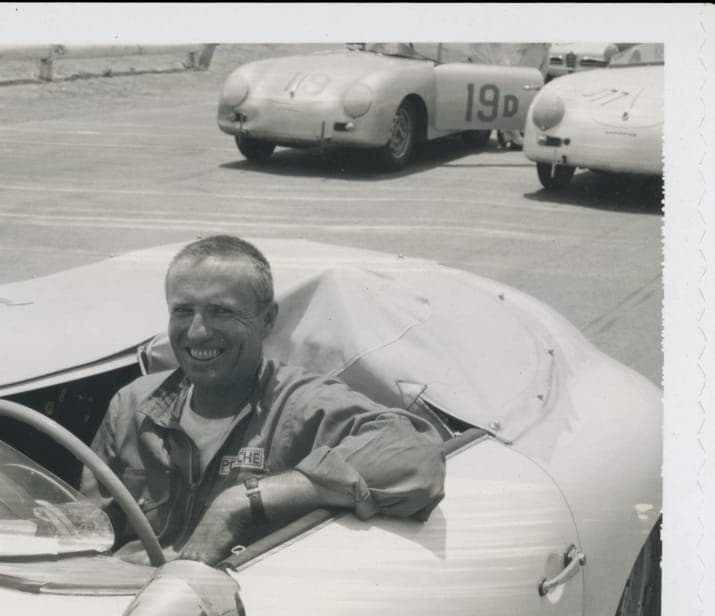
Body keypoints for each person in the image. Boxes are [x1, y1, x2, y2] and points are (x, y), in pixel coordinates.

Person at [81, 236, 446, 564]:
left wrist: (243, 501)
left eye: (221, 311)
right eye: (182, 310)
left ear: (267, 320)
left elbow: (416, 453)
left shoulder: (301, 404)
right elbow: (93, 526)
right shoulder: (132, 405)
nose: (196, 331)